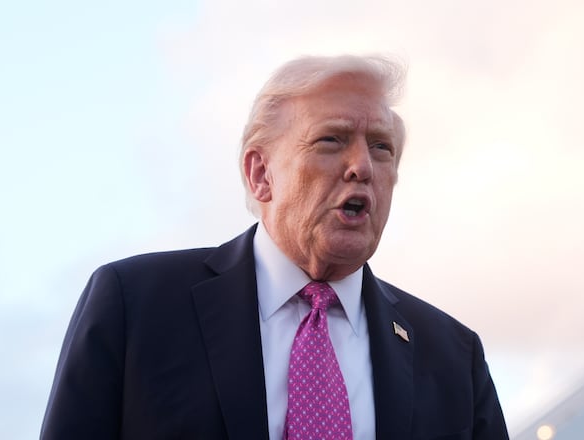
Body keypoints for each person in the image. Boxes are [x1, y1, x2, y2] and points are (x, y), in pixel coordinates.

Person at [41, 55, 509, 439]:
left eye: (381, 147)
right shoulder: (136, 305)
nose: (362, 166)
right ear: (261, 174)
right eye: (332, 140)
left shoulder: (453, 356)